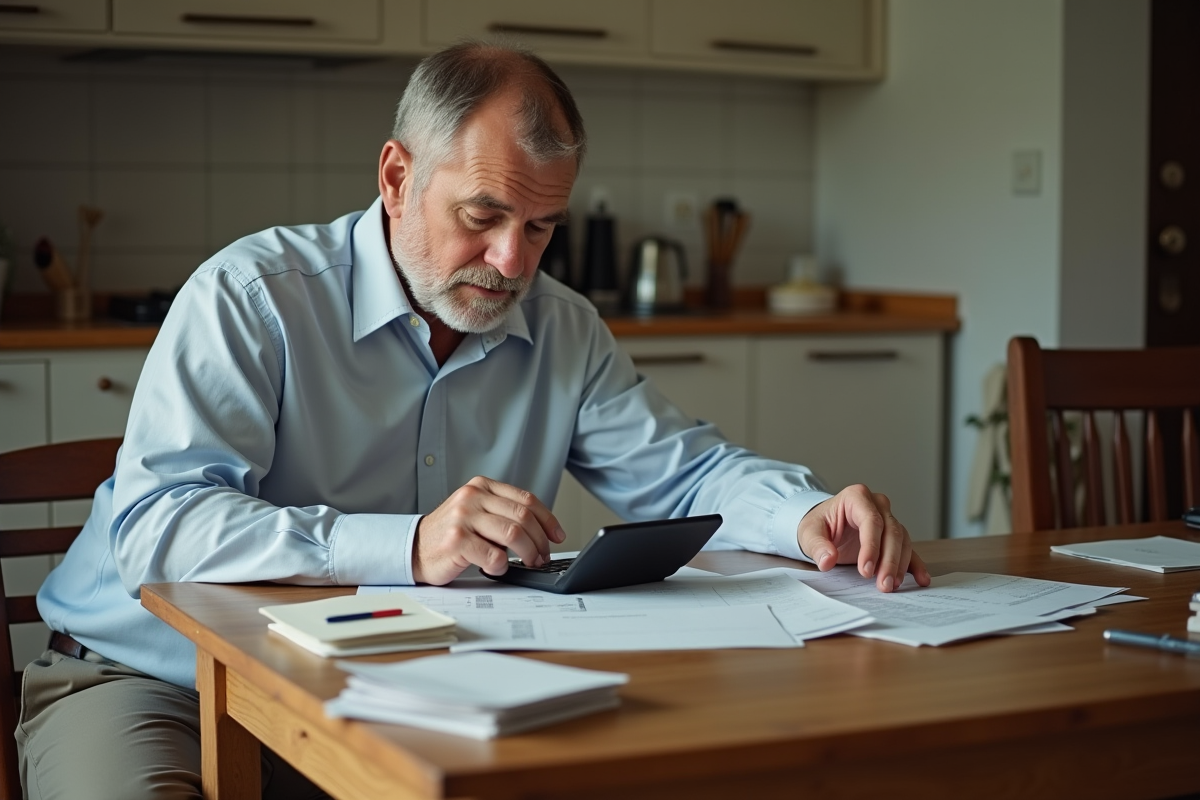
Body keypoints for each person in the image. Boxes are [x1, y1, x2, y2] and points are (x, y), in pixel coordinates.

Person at [19, 42, 930, 799]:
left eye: (541, 227)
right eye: (484, 215)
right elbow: (159, 529)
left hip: (396, 685)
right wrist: (410, 545)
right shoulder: (251, 297)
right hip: (149, 681)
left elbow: (686, 473)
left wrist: (804, 513)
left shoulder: (563, 327)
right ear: (396, 176)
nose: (511, 262)